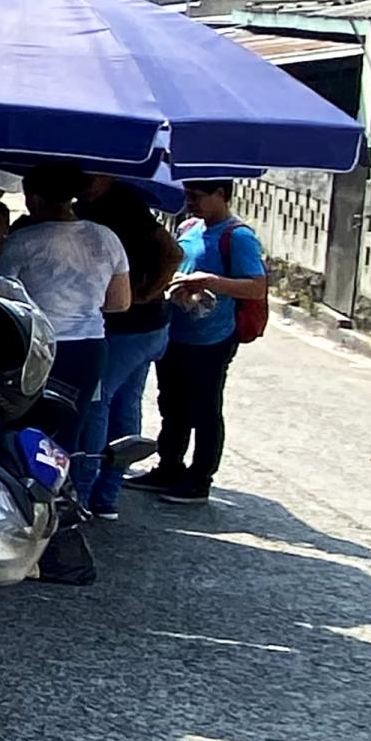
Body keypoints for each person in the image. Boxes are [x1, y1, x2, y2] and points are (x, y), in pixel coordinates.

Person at [135, 181, 268, 507]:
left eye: (197, 197)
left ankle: (199, 479)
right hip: (177, 330)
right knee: (172, 404)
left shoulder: (238, 237)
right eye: (188, 196)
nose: (190, 203)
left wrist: (208, 282)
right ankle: (169, 467)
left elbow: (256, 287)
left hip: (213, 337)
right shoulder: (189, 227)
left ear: (220, 195)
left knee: (205, 408)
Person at [0, 162, 131, 456]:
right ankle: (65, 497)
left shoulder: (24, 241)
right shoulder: (106, 238)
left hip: (36, 348)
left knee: (23, 432)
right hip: (89, 349)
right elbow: (120, 302)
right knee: (68, 435)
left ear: (36, 199)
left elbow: (1, 297)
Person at [77, 177, 180, 520]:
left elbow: (172, 252)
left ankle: (85, 492)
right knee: (124, 404)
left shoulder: (124, 204)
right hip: (144, 326)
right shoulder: (96, 204)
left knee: (98, 402)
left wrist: (148, 293)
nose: (85, 182)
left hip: (133, 326)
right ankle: (106, 496)